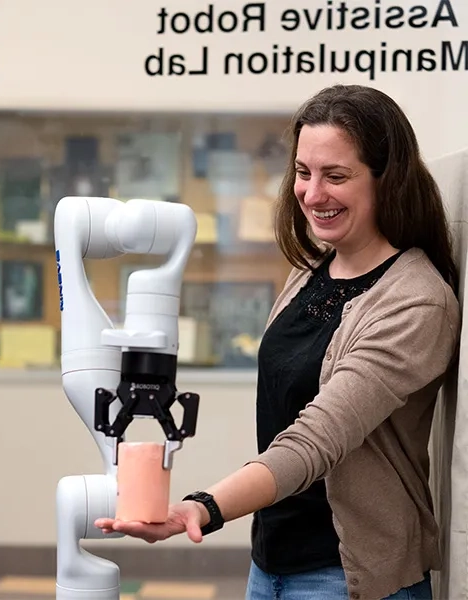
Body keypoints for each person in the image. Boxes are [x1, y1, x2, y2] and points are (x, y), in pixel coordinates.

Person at [96, 84, 461, 600]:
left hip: (347, 576)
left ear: (388, 178)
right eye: (303, 172)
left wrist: (202, 507)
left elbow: (314, 439)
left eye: (336, 176)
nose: (312, 194)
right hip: (269, 564)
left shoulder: (416, 301)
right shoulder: (310, 271)